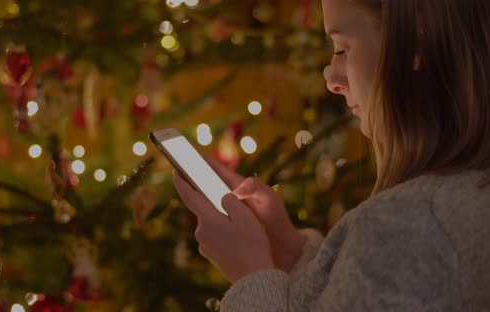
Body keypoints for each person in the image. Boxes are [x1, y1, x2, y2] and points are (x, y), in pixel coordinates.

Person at [173, 0, 490, 310]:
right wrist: (291, 256)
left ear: (413, 41)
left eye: (341, 49)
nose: (332, 80)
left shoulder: (408, 225)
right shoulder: (462, 195)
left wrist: (250, 276)